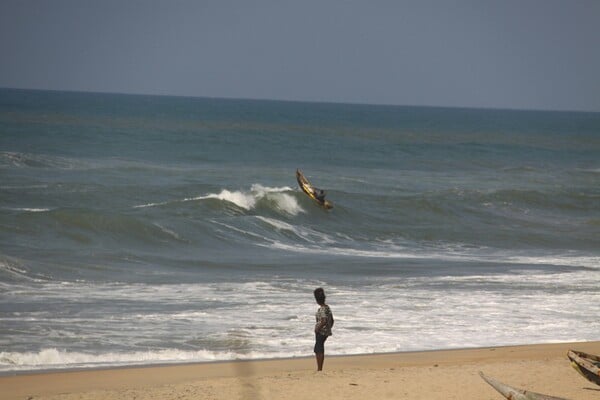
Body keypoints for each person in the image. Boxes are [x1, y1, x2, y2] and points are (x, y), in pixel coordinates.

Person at [313, 287, 334, 371]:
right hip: (326, 331)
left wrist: (318, 328)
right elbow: (332, 320)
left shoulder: (322, 309)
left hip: (321, 332)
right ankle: (319, 368)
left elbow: (323, 320)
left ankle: (319, 368)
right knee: (318, 348)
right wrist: (329, 328)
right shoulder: (327, 307)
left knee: (318, 349)